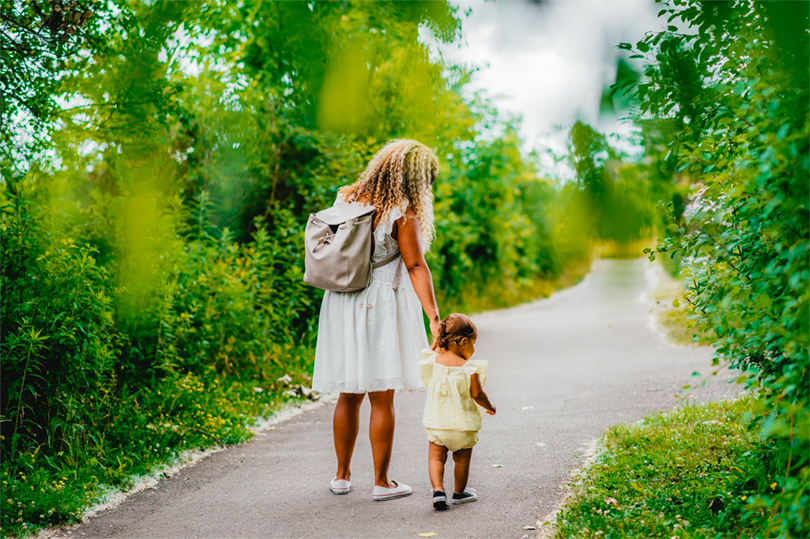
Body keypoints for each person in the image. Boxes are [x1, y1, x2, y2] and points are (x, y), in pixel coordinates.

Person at [311, 139, 442, 501]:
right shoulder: (402, 211)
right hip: (379, 300)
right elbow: (415, 265)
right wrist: (434, 316)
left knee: (348, 393)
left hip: (341, 299)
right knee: (381, 397)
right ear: (413, 179)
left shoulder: (346, 198)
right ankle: (382, 483)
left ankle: (341, 476)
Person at [420, 313, 496, 510]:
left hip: (437, 424)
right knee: (462, 459)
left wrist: (438, 341)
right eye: (473, 342)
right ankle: (459, 492)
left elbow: (432, 351)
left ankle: (438, 490)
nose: (474, 347)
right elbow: (477, 394)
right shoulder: (469, 368)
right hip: (462, 425)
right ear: (462, 341)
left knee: (436, 457)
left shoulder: (433, 360)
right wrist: (490, 407)